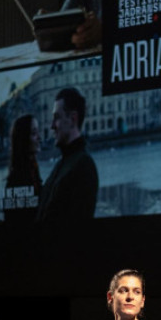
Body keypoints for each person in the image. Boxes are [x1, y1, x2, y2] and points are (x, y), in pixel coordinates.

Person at [35, 87, 99, 226]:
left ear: (72, 119)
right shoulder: (62, 164)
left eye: (57, 117)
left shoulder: (83, 166)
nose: (52, 126)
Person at [4, 113, 42, 225]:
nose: (39, 137)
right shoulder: (18, 180)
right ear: (24, 140)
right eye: (34, 133)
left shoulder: (32, 169)